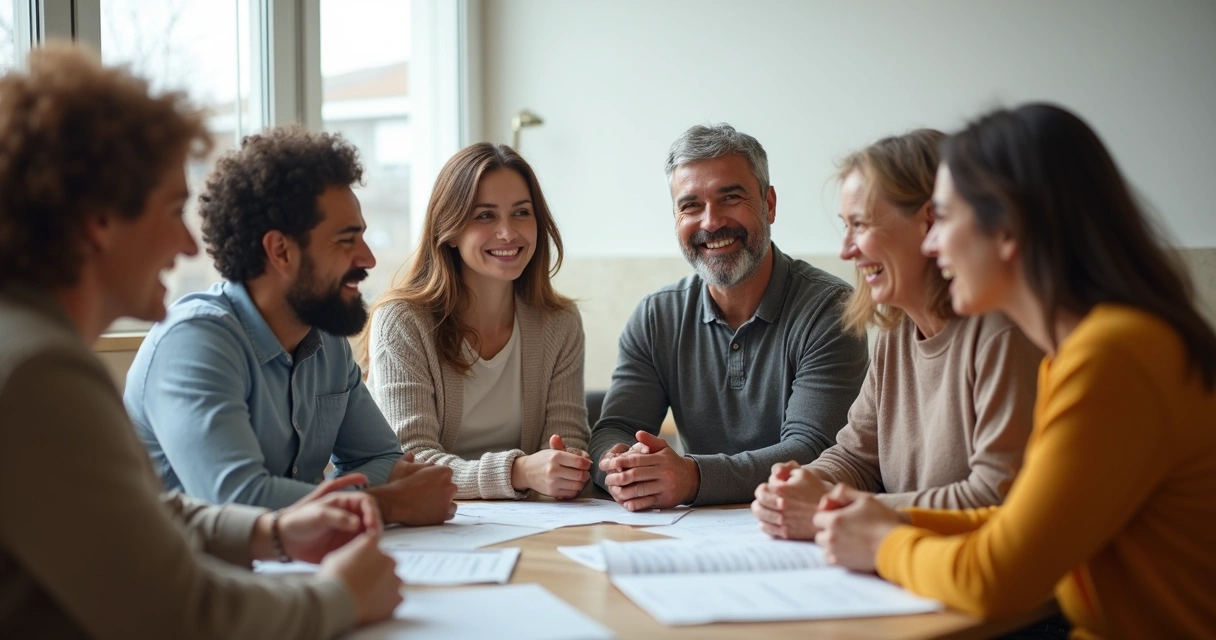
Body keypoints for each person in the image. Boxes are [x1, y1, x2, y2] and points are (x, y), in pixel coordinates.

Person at [0, 43, 402, 638]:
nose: (189, 246)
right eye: (171, 209)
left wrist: (272, 532)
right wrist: (338, 597)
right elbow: (177, 612)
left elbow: (138, 518)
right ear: (101, 221)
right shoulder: (40, 372)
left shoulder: (29, 345)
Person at [813, 104, 1216, 637]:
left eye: (946, 218)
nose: (934, 242)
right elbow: (1014, 521)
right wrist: (881, 518)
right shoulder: (1080, 353)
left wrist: (883, 542)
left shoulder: (1112, 357)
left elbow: (996, 575)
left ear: (1005, 229)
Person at [123, 126, 457, 525]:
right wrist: (387, 503)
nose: (367, 259)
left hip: (293, 567)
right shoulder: (195, 341)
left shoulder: (326, 339)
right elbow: (238, 499)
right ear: (280, 251)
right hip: (188, 576)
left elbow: (385, 458)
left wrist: (339, 499)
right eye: (346, 240)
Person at [751, 130, 1042, 539]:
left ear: (929, 222)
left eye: (860, 224)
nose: (846, 250)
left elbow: (995, 495)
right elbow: (856, 456)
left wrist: (839, 508)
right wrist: (801, 484)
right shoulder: (897, 329)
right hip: (913, 569)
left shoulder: (1002, 333)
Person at [590, 123, 870, 510]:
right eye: (690, 205)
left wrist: (692, 477)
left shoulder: (831, 309)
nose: (710, 222)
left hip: (803, 528)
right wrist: (619, 468)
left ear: (769, 204)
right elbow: (615, 429)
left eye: (730, 198)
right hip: (694, 537)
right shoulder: (657, 316)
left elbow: (813, 451)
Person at [357, 143, 591, 500]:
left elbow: (565, 447)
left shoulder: (560, 323)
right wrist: (519, 471)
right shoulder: (402, 321)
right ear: (448, 229)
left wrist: (567, 469)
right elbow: (408, 462)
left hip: (531, 525)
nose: (508, 232)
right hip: (428, 526)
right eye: (485, 216)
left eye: (521, 213)